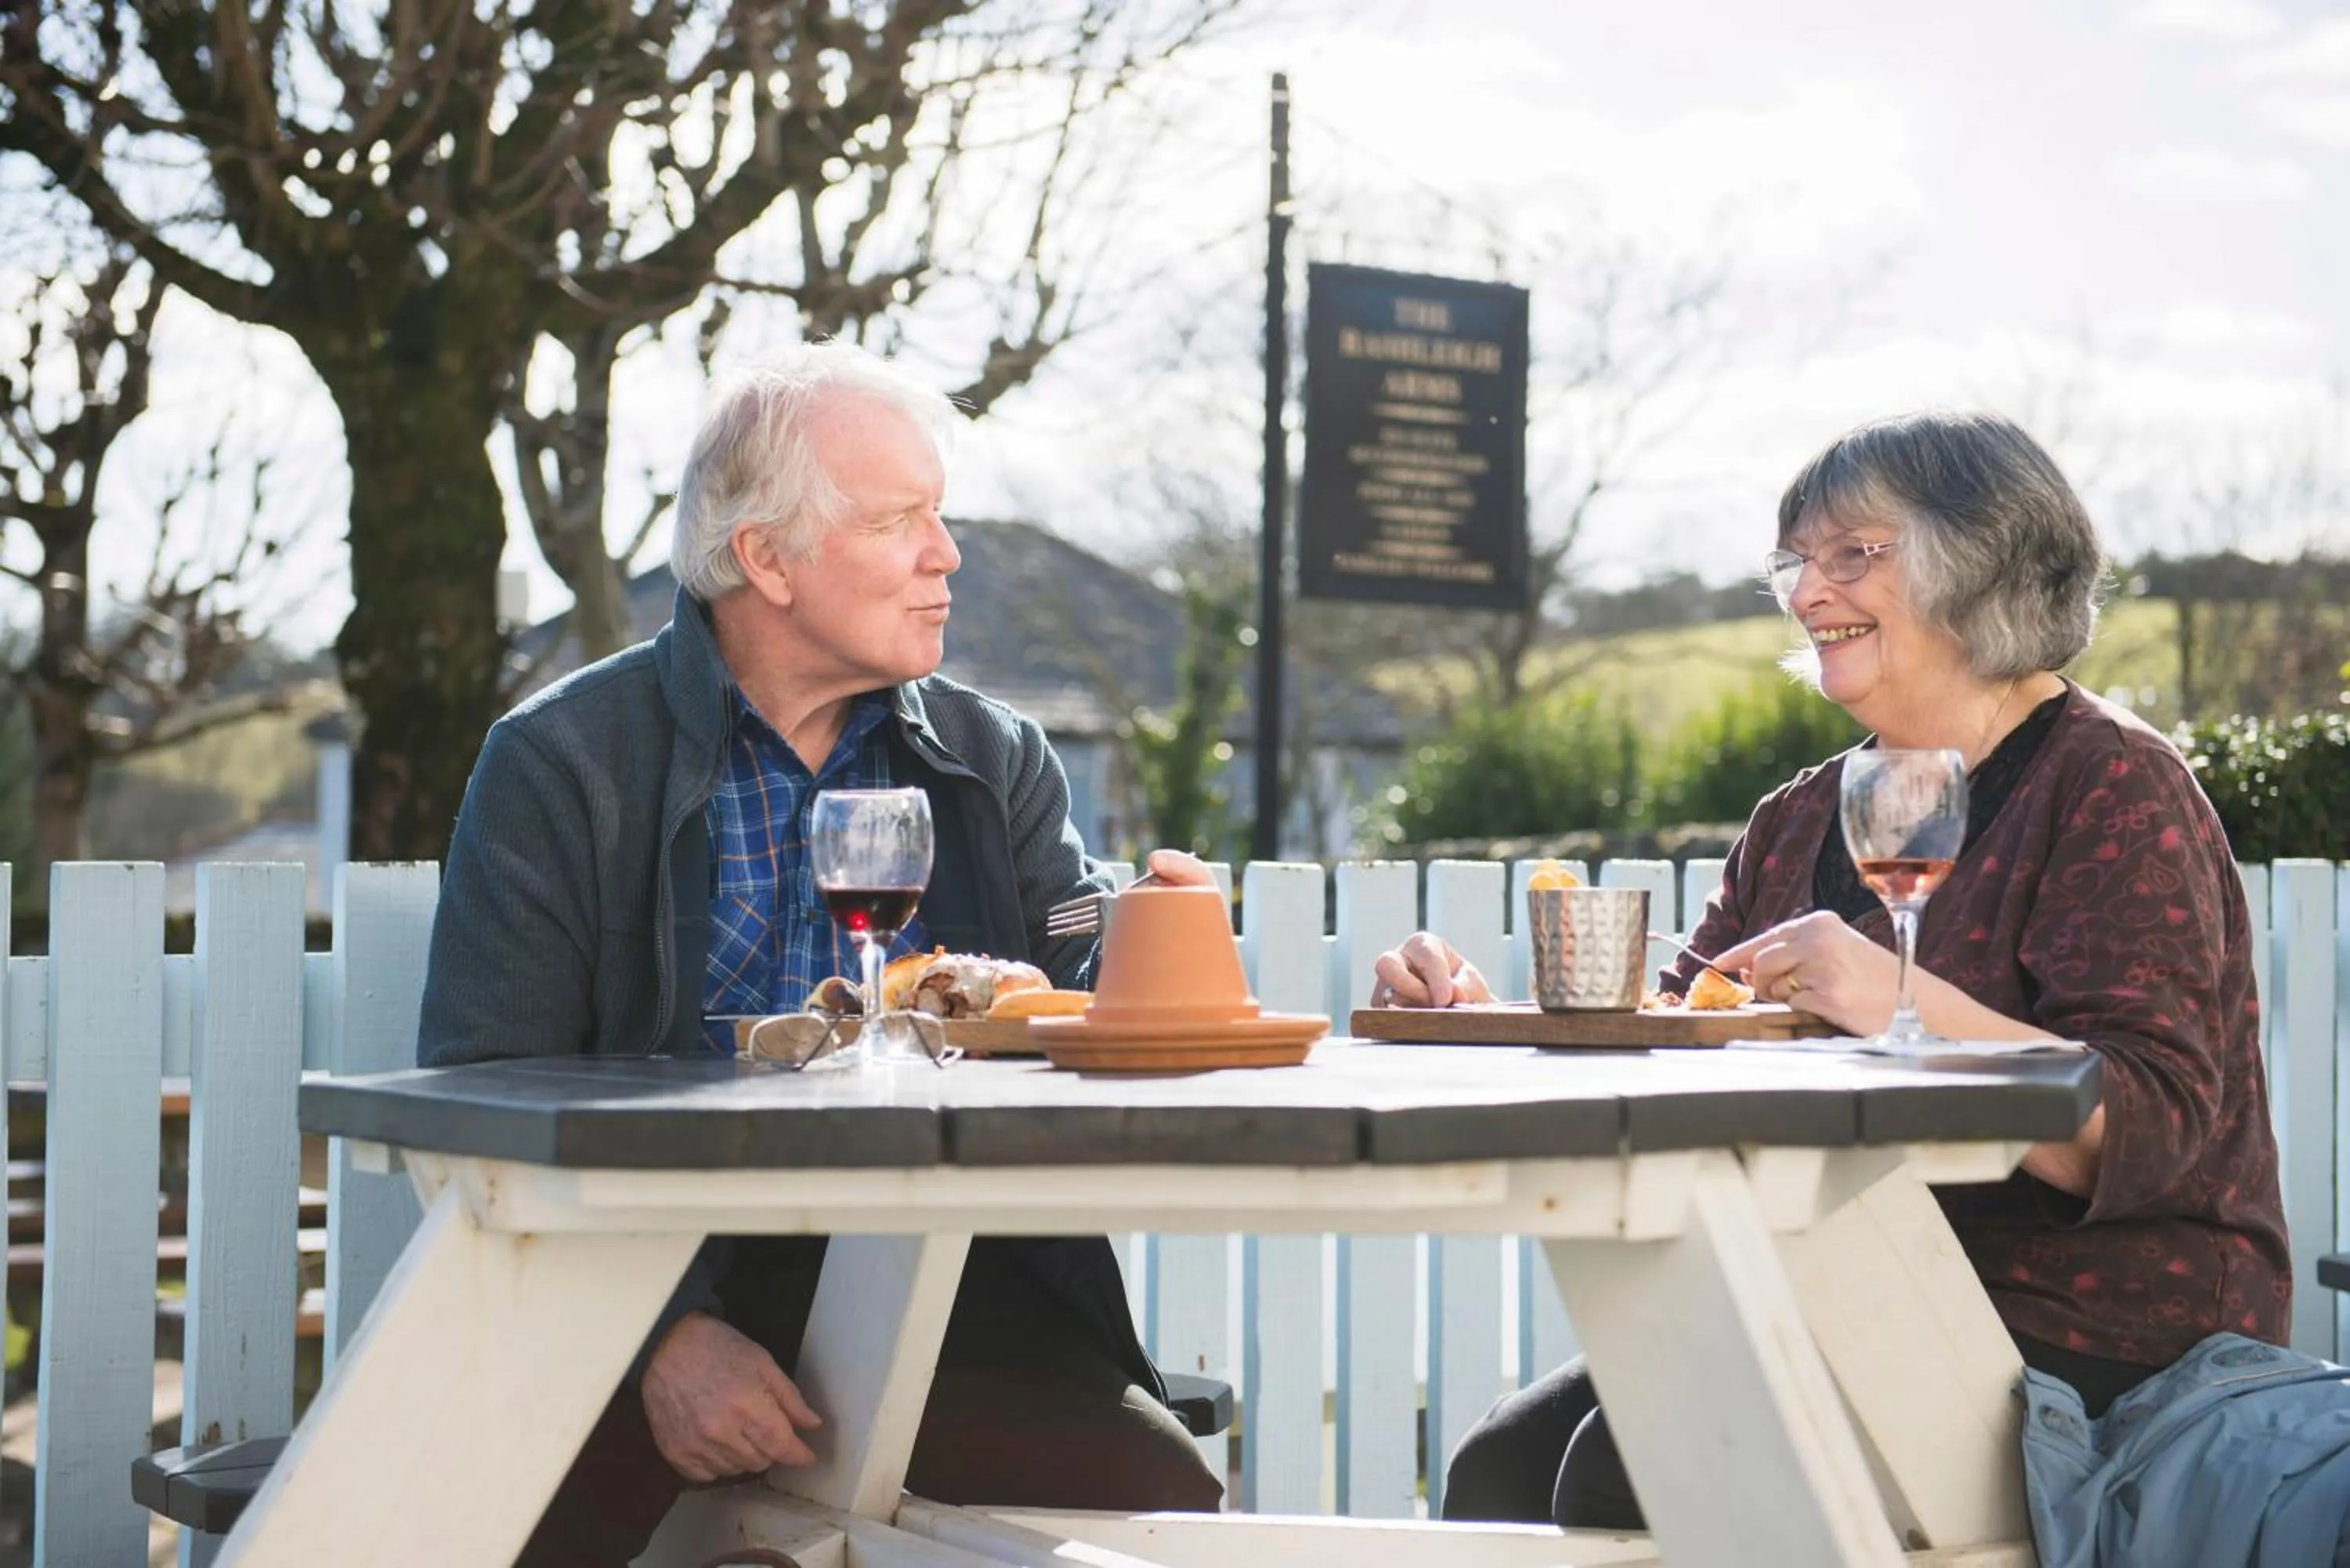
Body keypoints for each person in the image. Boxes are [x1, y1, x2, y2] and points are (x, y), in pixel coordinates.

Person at [1383, 410, 2289, 1532]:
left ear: (1986, 559)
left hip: (2100, 1328)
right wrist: (1488, 1012)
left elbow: (2151, 1123)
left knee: (1633, 1474)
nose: (1810, 591)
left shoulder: (2114, 787)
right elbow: (1679, 1040)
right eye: (1796, 561)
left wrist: (1893, 1000)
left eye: (1854, 552)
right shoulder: (1800, 815)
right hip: (1834, 1286)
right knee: (1502, 1473)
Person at [416, 341, 1225, 1567]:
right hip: (637, 1281)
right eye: (902, 520)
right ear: (766, 557)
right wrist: (663, 1338)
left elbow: (1076, 963)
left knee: (1159, 1500)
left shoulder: (986, 753)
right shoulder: (566, 763)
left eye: (938, 517)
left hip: (942, 1289)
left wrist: (1164, 934)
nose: (946, 555)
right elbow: (479, 1092)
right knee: (486, 1525)